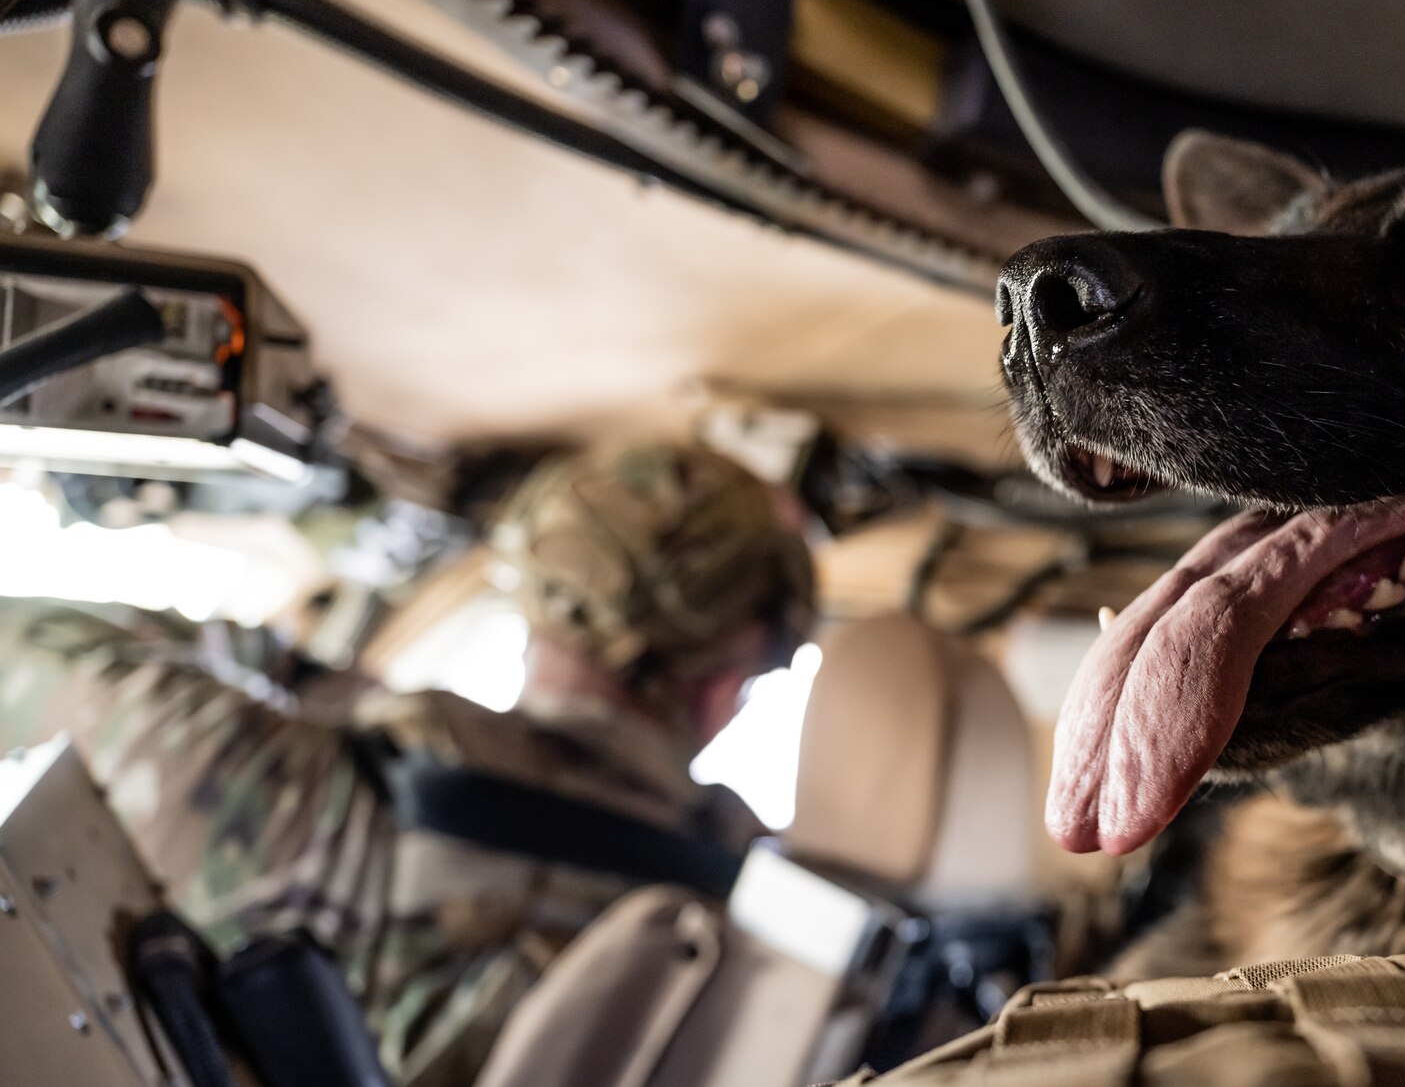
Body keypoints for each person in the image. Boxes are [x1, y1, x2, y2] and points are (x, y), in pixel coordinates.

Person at [0, 441, 815, 1087]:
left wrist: (267, 664)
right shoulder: (774, 936)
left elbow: (44, 652)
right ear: (724, 689)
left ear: (532, 588)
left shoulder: (317, 795)